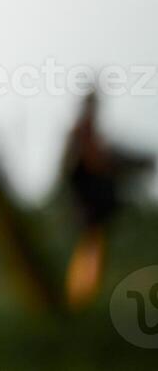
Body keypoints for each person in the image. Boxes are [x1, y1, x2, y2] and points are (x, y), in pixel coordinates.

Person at [61, 90, 153, 309]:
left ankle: (83, 300)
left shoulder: (89, 135)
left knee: (94, 251)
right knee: (90, 252)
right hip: (89, 209)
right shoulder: (82, 135)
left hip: (95, 210)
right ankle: (80, 301)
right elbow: (97, 162)